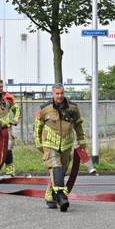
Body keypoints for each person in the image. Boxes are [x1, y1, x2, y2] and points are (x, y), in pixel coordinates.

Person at [33, 84, 86, 212]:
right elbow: (37, 127)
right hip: (50, 144)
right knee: (56, 168)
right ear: (52, 94)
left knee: (61, 172)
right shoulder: (44, 109)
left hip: (66, 145)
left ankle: (50, 196)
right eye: (57, 94)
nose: (59, 96)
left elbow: (78, 125)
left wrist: (81, 140)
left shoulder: (73, 108)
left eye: (61, 93)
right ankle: (61, 197)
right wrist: (38, 143)